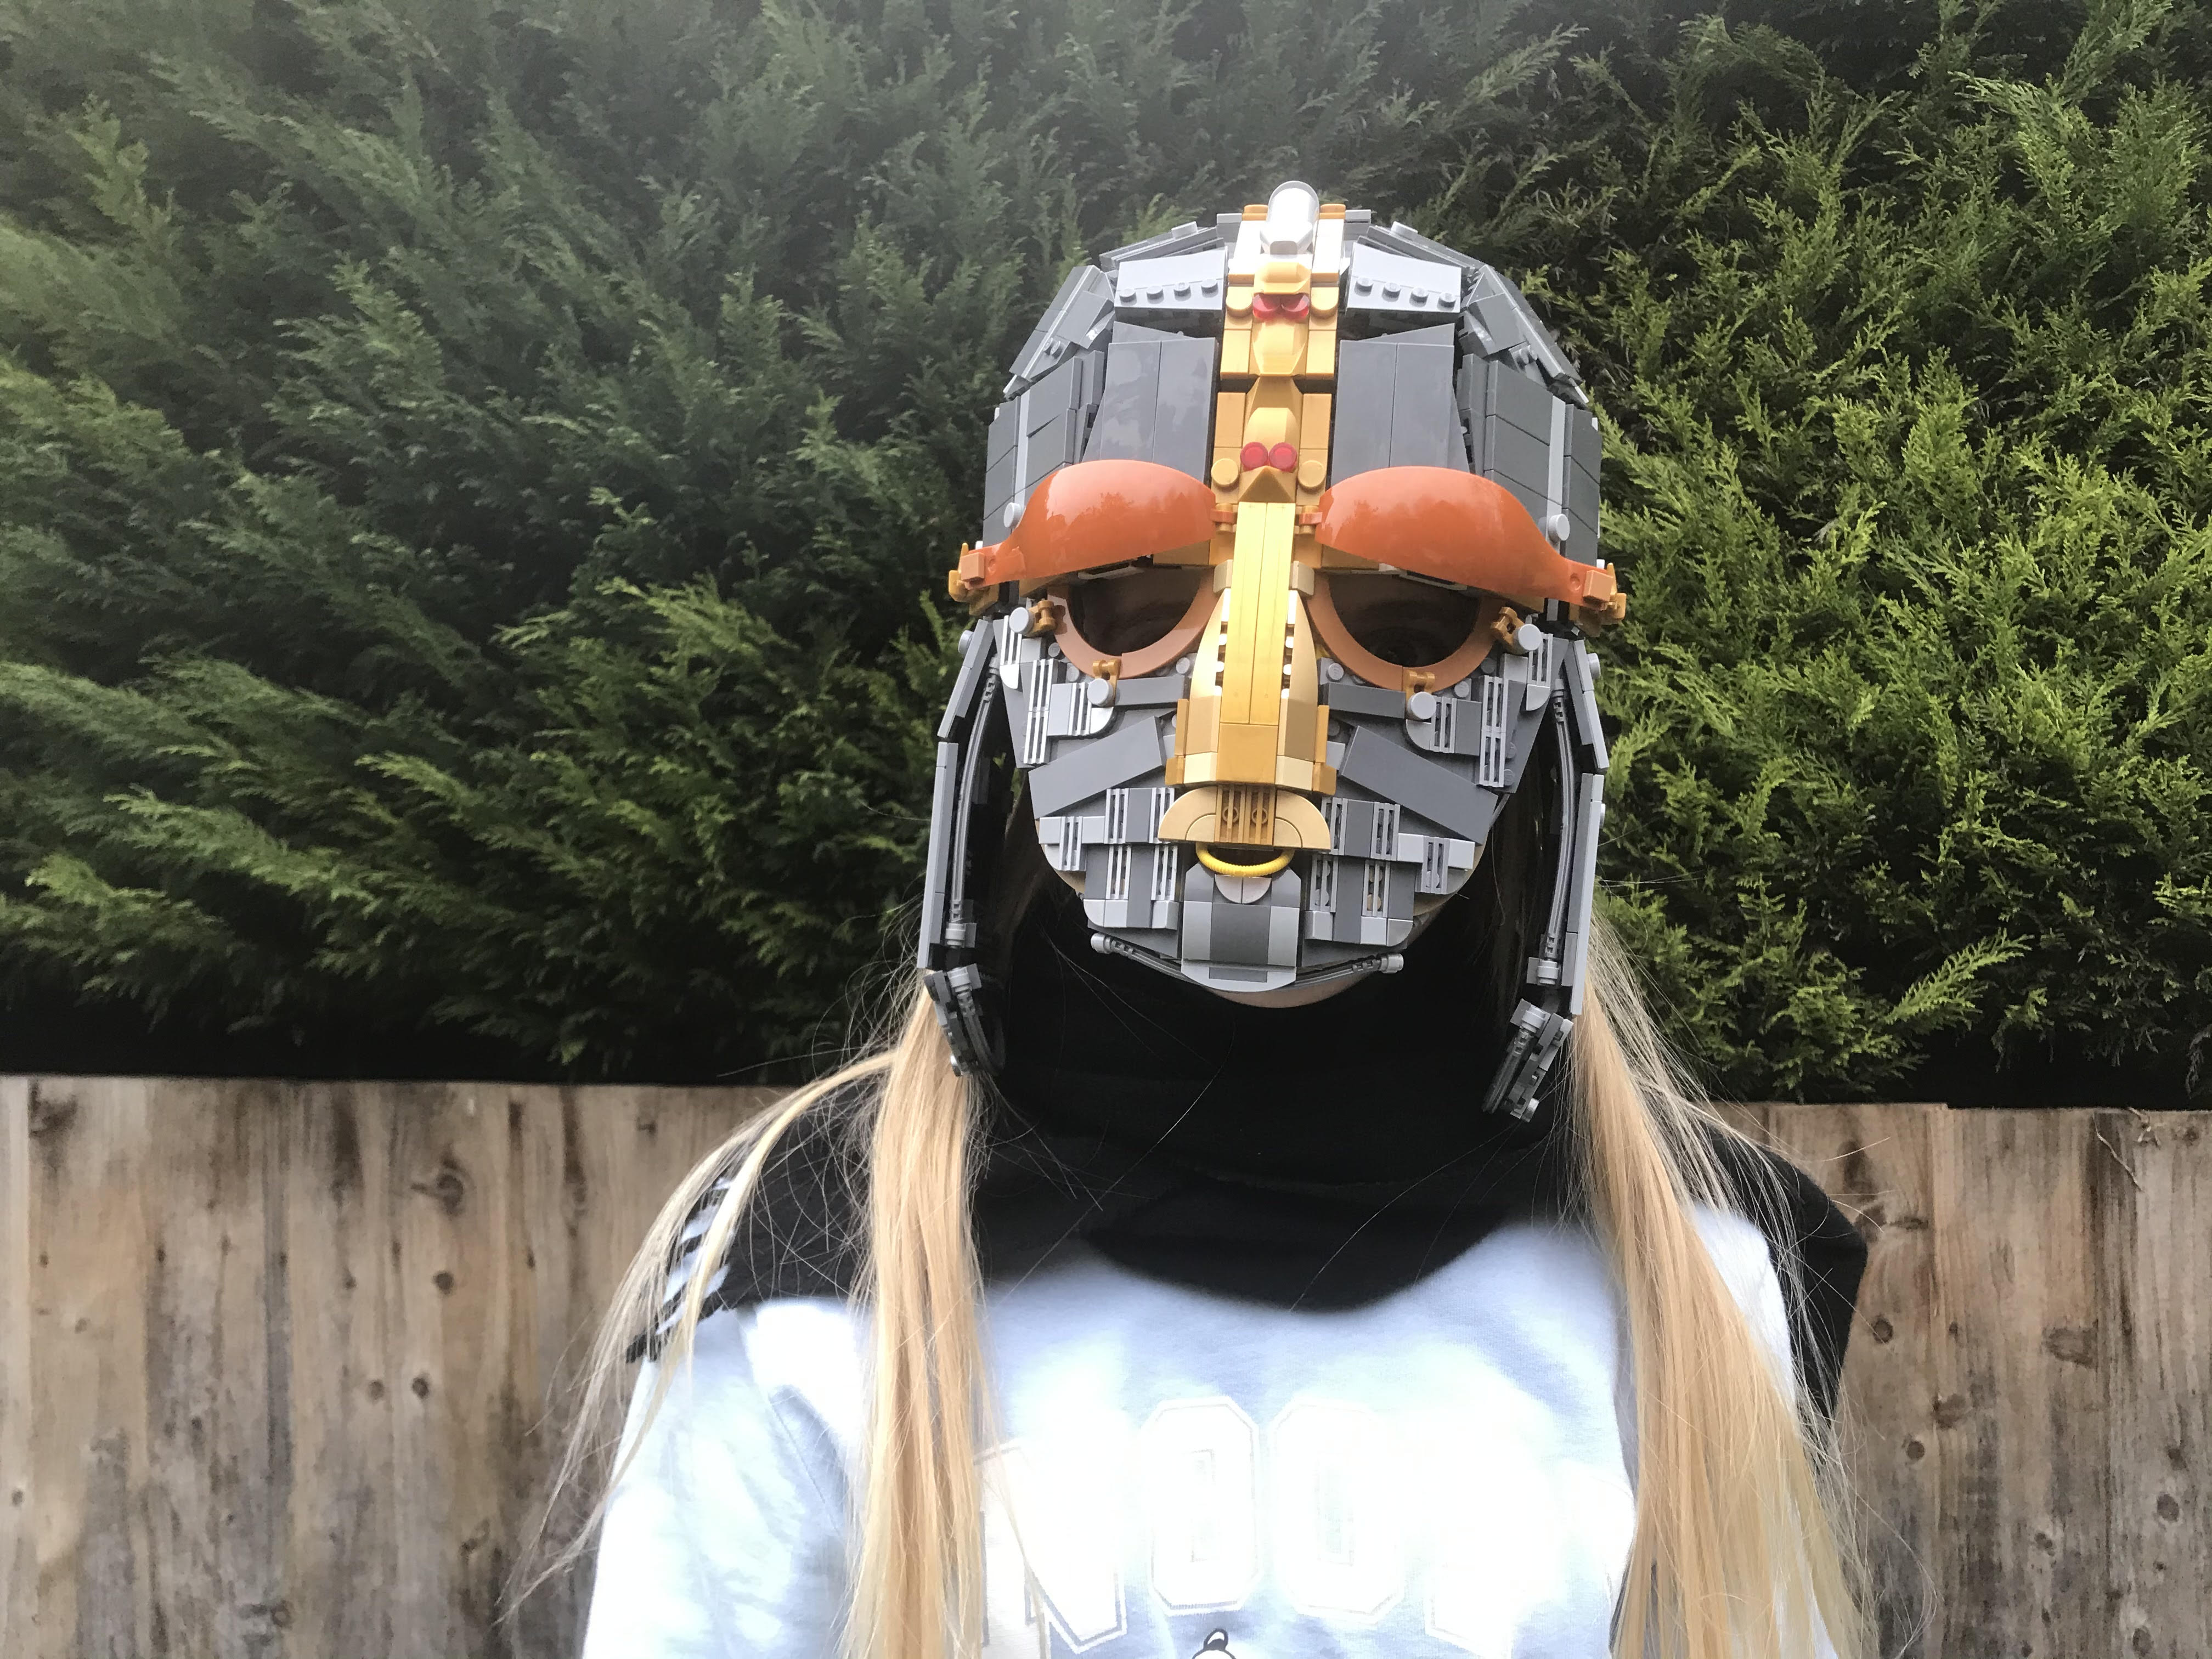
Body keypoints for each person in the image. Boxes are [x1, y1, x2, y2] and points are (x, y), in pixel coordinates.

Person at [552, 183, 1870, 1659]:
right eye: (1129, 593)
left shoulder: (1701, 1278)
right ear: (1014, 657)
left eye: (1410, 609)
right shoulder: (808, 1258)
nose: (1258, 708)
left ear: (1539, 693)